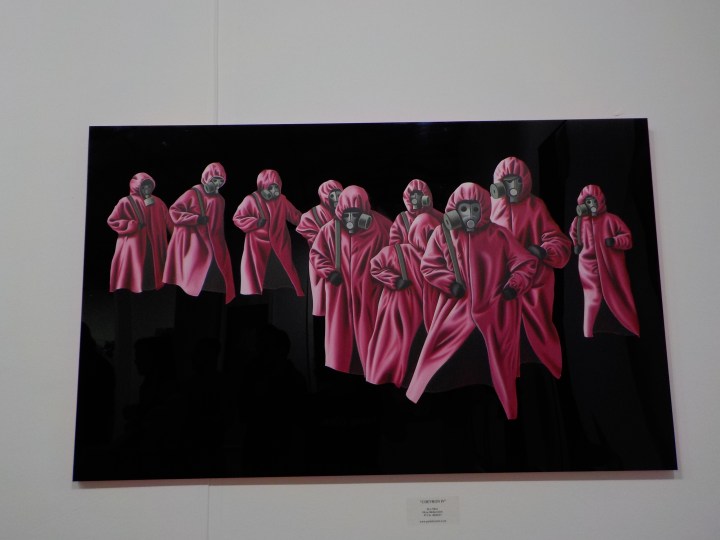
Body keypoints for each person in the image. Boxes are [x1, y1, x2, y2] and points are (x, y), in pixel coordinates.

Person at [405, 182, 537, 420]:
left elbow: (525, 262)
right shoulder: (444, 234)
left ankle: (510, 414)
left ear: (483, 209)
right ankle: (413, 402)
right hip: (456, 308)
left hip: (494, 307)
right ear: (455, 210)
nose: (469, 215)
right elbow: (429, 265)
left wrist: (514, 285)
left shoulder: (499, 235)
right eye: (464, 209)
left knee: (502, 363)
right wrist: (449, 283)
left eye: (474, 209)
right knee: (433, 352)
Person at [489, 157, 571, 378]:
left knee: (539, 331)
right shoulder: (490, 207)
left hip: (535, 280)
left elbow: (559, 242)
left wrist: (543, 251)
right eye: (506, 182)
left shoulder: (536, 207)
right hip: (501, 280)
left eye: (515, 181)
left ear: (524, 180)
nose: (512, 187)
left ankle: (547, 372)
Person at [309, 185, 390, 375]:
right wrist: (329, 272)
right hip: (340, 296)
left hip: (372, 294)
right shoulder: (330, 230)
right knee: (340, 341)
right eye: (347, 215)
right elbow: (317, 255)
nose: (351, 220)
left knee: (372, 339)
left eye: (356, 214)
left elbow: (396, 253)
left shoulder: (382, 227)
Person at [365, 213, 440, 387]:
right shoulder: (397, 251)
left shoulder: (437, 259)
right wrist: (394, 280)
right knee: (391, 347)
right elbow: (375, 266)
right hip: (396, 310)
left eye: (434, 233)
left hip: (423, 312)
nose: (431, 238)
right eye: (429, 233)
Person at [569, 184, 639, 337]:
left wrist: (615, 241)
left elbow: (628, 239)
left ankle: (629, 328)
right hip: (587, 267)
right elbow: (574, 234)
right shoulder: (578, 221)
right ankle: (588, 332)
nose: (591, 205)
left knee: (619, 296)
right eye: (588, 202)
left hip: (610, 266)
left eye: (594, 201)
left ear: (600, 201)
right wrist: (576, 245)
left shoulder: (611, 220)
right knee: (592, 298)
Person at [163, 162, 235, 303]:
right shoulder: (193, 193)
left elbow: (218, 226)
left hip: (210, 238)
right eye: (215, 180)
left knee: (219, 266)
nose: (217, 184)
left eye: (220, 181)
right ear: (207, 178)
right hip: (191, 238)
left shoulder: (220, 200)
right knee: (194, 267)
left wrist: (220, 244)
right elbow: (174, 210)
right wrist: (195, 219)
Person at [234, 169, 304, 296]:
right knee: (256, 272)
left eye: (276, 187)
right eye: (270, 187)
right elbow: (237, 218)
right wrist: (255, 223)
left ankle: (295, 292)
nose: (273, 191)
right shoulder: (251, 200)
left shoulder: (281, 200)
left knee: (286, 271)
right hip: (257, 245)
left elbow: (295, 216)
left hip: (280, 241)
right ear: (262, 186)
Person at [108, 172, 173, 293]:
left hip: (154, 242)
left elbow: (169, 221)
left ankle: (149, 289)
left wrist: (176, 236)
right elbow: (112, 220)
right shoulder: (126, 202)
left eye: (149, 185)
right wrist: (132, 225)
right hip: (134, 244)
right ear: (137, 186)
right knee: (135, 266)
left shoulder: (158, 202)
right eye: (144, 186)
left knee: (151, 266)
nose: (147, 188)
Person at [296, 180, 343, 315]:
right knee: (325, 298)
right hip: (322, 260)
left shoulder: (346, 213)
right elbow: (315, 242)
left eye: (338, 194)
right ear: (324, 196)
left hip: (344, 259)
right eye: (332, 195)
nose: (336, 198)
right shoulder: (311, 216)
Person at [388, 179, 443, 245]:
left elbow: (447, 237)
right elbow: (394, 244)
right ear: (408, 198)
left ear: (425, 197)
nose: (416, 198)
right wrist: (407, 249)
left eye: (419, 195)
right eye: (413, 195)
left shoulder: (437, 216)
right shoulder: (402, 219)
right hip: (409, 251)